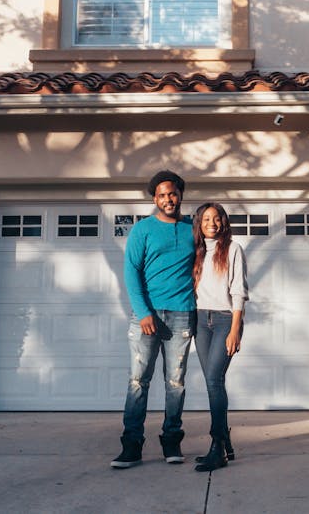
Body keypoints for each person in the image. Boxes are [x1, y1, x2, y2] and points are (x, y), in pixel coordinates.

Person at [111, 170, 197, 469]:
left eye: (172, 193)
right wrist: (144, 312)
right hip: (146, 315)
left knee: (176, 383)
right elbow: (131, 272)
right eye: (161, 195)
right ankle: (132, 444)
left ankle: (171, 440)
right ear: (154, 199)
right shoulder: (143, 229)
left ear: (180, 194)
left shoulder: (192, 229)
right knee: (138, 382)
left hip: (182, 314)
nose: (167, 199)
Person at [190, 202, 248, 472]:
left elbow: (238, 291)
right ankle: (226, 442)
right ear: (199, 224)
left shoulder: (234, 249)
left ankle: (217, 447)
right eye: (205, 219)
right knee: (214, 381)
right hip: (201, 320)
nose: (211, 223)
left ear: (223, 222)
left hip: (225, 320)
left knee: (214, 380)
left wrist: (235, 329)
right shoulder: (196, 252)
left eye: (216, 218)